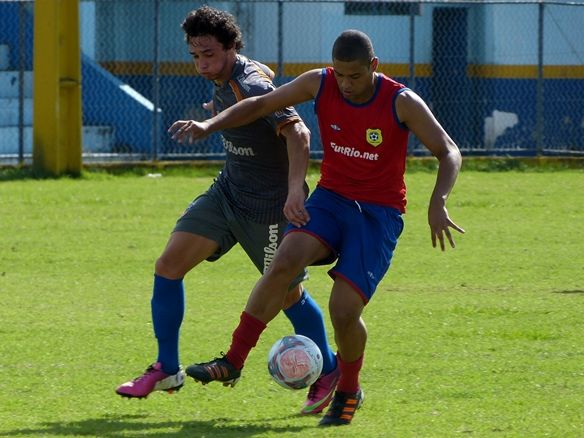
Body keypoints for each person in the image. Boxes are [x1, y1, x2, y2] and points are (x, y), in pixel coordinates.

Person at [168, 29, 465, 427]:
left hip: (377, 214)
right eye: (340, 74)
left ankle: (348, 389)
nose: (345, 84)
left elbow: (448, 150)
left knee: (343, 310)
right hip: (330, 199)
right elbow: (260, 103)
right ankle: (233, 360)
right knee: (284, 260)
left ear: (373, 67)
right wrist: (210, 126)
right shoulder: (319, 82)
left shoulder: (401, 101)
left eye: (354, 76)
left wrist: (438, 202)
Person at [116, 6, 340, 416]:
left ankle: (329, 368)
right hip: (229, 193)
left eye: (209, 54)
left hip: (270, 207)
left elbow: (300, 133)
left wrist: (295, 194)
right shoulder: (232, 76)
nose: (202, 64)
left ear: (232, 48)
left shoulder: (251, 85)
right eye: (195, 55)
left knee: (289, 295)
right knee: (168, 264)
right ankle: (167, 367)